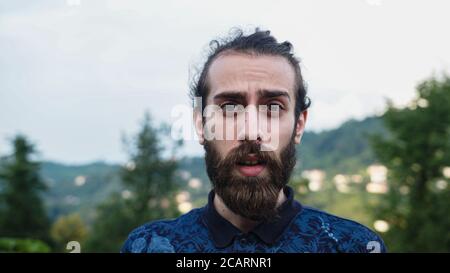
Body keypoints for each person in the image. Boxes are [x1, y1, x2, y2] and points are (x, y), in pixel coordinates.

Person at [121, 28, 386, 253]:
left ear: (299, 125)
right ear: (201, 125)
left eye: (273, 107)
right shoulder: (149, 246)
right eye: (229, 107)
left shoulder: (354, 246)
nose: (251, 131)